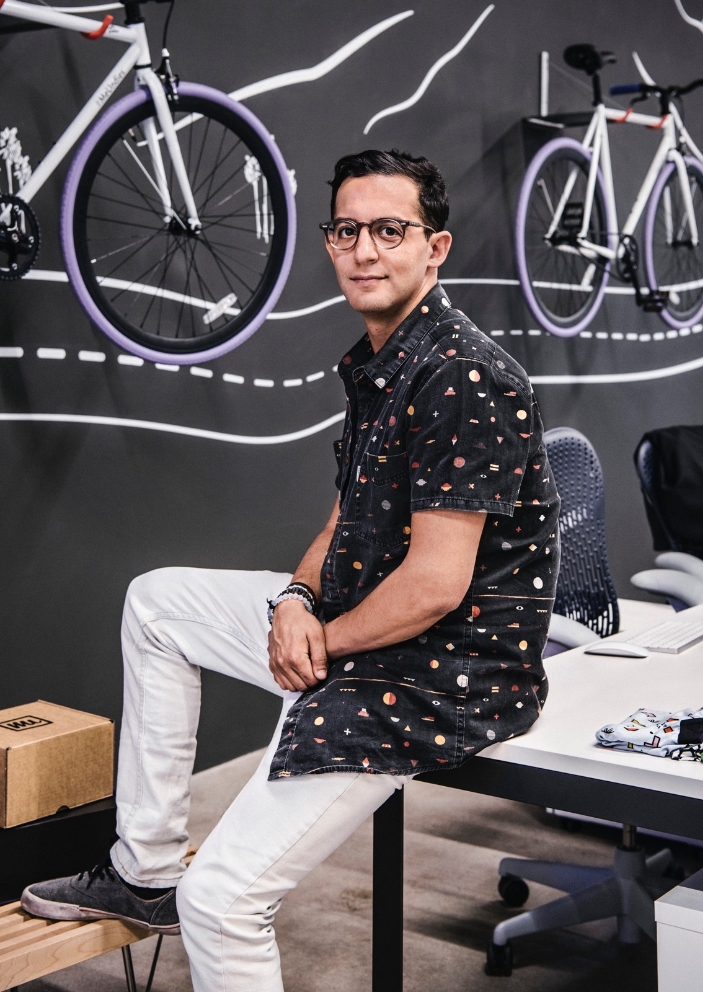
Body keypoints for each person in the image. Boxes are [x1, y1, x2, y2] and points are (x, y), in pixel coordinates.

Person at [22, 149, 560, 991]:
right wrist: (297, 601)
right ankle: (145, 870)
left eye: (390, 229)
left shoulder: (465, 375)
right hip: (369, 624)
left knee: (225, 902)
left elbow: (436, 586)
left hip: (444, 669)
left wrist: (322, 643)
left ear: (436, 247)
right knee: (158, 603)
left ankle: (185, 890)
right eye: (346, 230)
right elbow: (346, 519)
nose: (365, 251)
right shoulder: (385, 363)